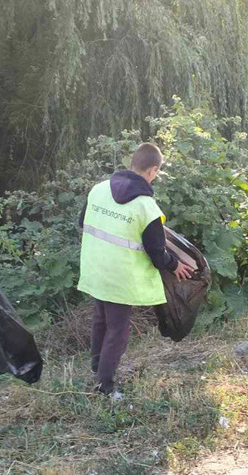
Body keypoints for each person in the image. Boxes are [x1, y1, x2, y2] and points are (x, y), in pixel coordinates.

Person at [77, 143, 195, 397]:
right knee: (117, 331)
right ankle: (104, 387)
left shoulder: (98, 190)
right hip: (121, 277)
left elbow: (82, 223)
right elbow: (157, 252)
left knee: (100, 320)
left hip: (95, 267)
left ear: (132, 163)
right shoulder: (146, 207)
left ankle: (97, 369)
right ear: (153, 170)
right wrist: (176, 266)